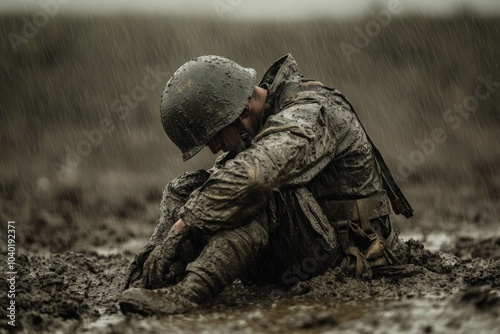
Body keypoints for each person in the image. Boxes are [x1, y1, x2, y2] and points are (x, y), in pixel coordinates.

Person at [119, 54, 413, 315]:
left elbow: (258, 175)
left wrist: (184, 224)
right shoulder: (260, 121)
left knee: (259, 190)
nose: (216, 149)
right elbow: (222, 181)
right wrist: (163, 243)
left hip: (350, 258)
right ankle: (149, 278)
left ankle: (191, 292)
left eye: (217, 138)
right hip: (305, 246)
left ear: (242, 112)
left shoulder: (312, 111)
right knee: (187, 189)